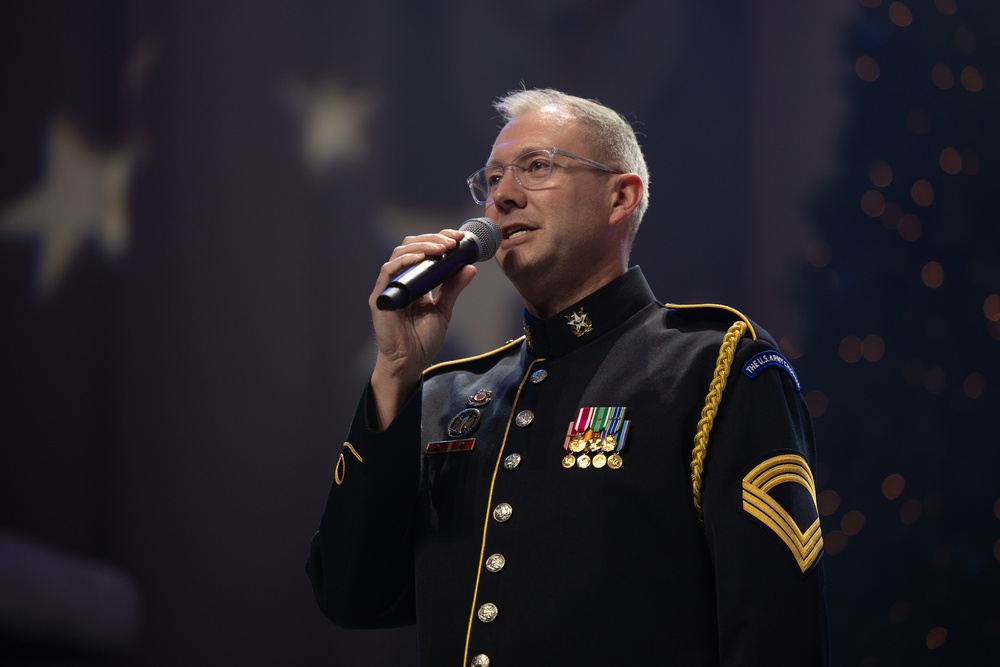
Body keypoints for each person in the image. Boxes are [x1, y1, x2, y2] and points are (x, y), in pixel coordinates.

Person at [307, 88, 829, 666]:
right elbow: (352, 595)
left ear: (619, 197)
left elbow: (774, 629)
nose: (502, 196)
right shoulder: (449, 396)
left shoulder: (713, 367)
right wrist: (397, 371)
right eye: (493, 179)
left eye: (536, 167)